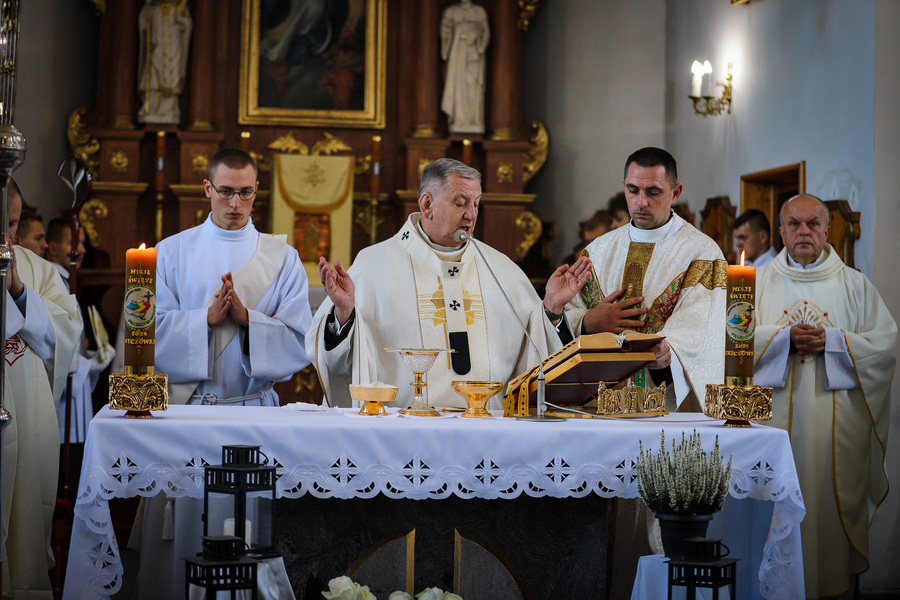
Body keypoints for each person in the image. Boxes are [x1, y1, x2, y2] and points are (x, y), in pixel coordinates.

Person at [308, 158, 591, 409]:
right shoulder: (374, 265)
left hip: (488, 430)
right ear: (427, 204)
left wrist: (551, 310)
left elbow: (538, 356)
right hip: (401, 431)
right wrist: (344, 315)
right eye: (460, 203)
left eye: (476, 204)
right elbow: (336, 365)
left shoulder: (501, 269)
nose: (471, 215)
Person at [753, 194, 896, 599]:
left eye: (813, 224)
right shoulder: (757, 283)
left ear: (827, 230)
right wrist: (783, 340)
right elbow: (730, 343)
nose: (803, 231)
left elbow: (885, 346)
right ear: (780, 232)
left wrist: (833, 342)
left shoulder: (855, 284)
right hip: (770, 432)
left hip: (833, 444)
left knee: (825, 528)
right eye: (794, 224)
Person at [566, 147, 727, 412]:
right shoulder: (597, 251)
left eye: (653, 192)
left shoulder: (702, 253)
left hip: (666, 401)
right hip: (597, 403)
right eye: (632, 190)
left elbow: (703, 324)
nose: (641, 202)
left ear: (675, 193)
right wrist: (588, 321)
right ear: (623, 186)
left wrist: (672, 352)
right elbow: (568, 314)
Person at [155, 148, 313, 404]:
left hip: (255, 406)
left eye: (245, 192)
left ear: (256, 189)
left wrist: (248, 320)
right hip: (192, 408)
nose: (235, 203)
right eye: (226, 191)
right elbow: (148, 334)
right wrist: (205, 319)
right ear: (208, 188)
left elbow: (300, 340)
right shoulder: (170, 252)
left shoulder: (284, 257)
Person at [1, 179, 82, 598]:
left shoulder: (38, 270)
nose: (7, 237)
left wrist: (17, 291)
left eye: (12, 224)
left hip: (28, 426)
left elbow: (66, 335)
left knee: (24, 535)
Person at [44, 217, 114, 445]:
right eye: (73, 243)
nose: (81, 250)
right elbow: (51, 343)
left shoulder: (65, 282)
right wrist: (88, 366)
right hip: (62, 400)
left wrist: (91, 358)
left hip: (76, 388)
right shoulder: (52, 284)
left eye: (83, 243)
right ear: (52, 247)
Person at [137, 0, 192, 124]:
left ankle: (170, 108)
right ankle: (151, 107)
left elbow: (188, 25)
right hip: (157, 44)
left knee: (173, 73)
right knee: (153, 72)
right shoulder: (152, 6)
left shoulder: (180, 5)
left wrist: (181, 21)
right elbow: (143, 24)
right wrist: (148, 11)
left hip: (174, 43)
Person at [440, 0, 490, 134]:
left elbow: (485, 32)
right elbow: (445, 33)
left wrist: (478, 45)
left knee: (472, 86)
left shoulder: (479, 11)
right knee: (457, 84)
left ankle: (473, 119)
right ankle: (459, 119)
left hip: (473, 55)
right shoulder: (451, 12)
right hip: (457, 53)